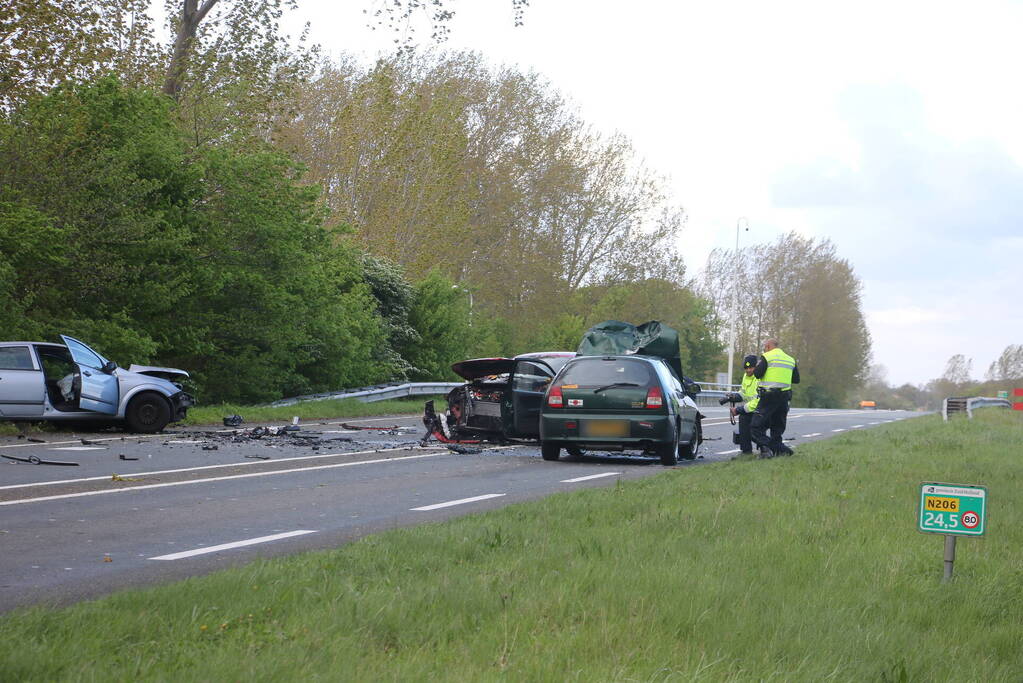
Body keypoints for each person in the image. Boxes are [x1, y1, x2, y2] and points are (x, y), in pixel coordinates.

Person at [750, 338, 800, 457]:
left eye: (764, 347)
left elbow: (757, 374)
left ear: (768, 346)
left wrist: (758, 365)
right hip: (784, 398)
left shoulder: (767, 357)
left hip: (769, 397)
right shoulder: (790, 359)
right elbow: (796, 379)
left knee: (755, 427)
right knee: (777, 429)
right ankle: (780, 451)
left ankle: (777, 449)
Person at [730, 354, 760, 455]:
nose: (748, 370)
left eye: (751, 367)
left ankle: (767, 447)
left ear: (756, 367)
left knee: (754, 432)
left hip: (760, 409)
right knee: (743, 419)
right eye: (746, 368)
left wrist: (738, 410)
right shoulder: (745, 376)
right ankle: (746, 451)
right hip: (751, 408)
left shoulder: (760, 377)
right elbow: (743, 393)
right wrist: (734, 396)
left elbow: (757, 401)